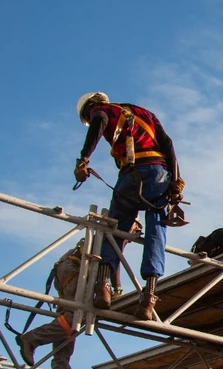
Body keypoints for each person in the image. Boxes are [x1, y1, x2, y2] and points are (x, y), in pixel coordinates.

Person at [74, 91, 184, 321]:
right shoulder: (145, 113)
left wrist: (84, 159)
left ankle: (103, 285)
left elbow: (99, 121)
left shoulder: (102, 111)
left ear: (90, 107)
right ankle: (150, 295)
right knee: (157, 229)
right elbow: (168, 144)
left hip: (133, 175)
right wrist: (176, 180)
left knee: (116, 228)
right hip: (159, 174)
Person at [13, 244, 87, 369]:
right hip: (75, 269)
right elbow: (110, 264)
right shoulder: (118, 232)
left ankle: (60, 365)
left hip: (69, 268)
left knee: (69, 315)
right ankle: (32, 338)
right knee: (79, 315)